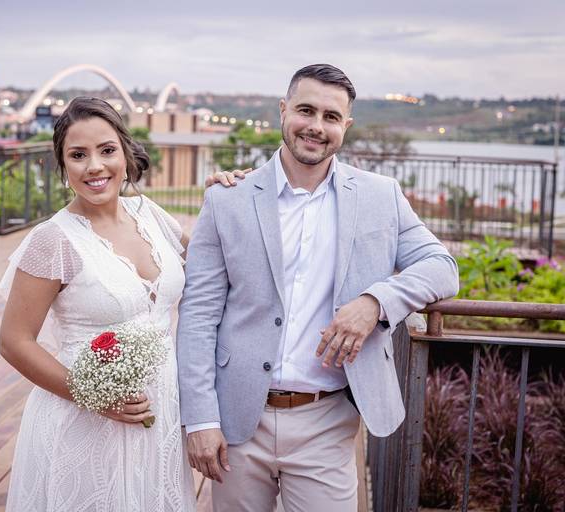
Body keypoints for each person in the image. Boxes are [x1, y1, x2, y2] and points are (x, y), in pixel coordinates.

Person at [177, 64, 459, 512]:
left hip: (328, 420)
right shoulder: (227, 198)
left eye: (331, 117)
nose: (316, 126)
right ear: (283, 110)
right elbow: (198, 315)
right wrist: (200, 419)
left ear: (346, 125)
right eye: (306, 110)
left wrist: (375, 302)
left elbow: (442, 267)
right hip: (236, 418)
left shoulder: (380, 196)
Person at [0, 97, 244, 511]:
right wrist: (93, 397)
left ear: (126, 155)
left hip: (160, 415)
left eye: (107, 150)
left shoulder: (150, 215)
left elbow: (213, 267)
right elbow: (14, 341)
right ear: (63, 167)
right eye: (78, 155)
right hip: (83, 421)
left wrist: (221, 202)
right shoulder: (53, 240)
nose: (94, 166)